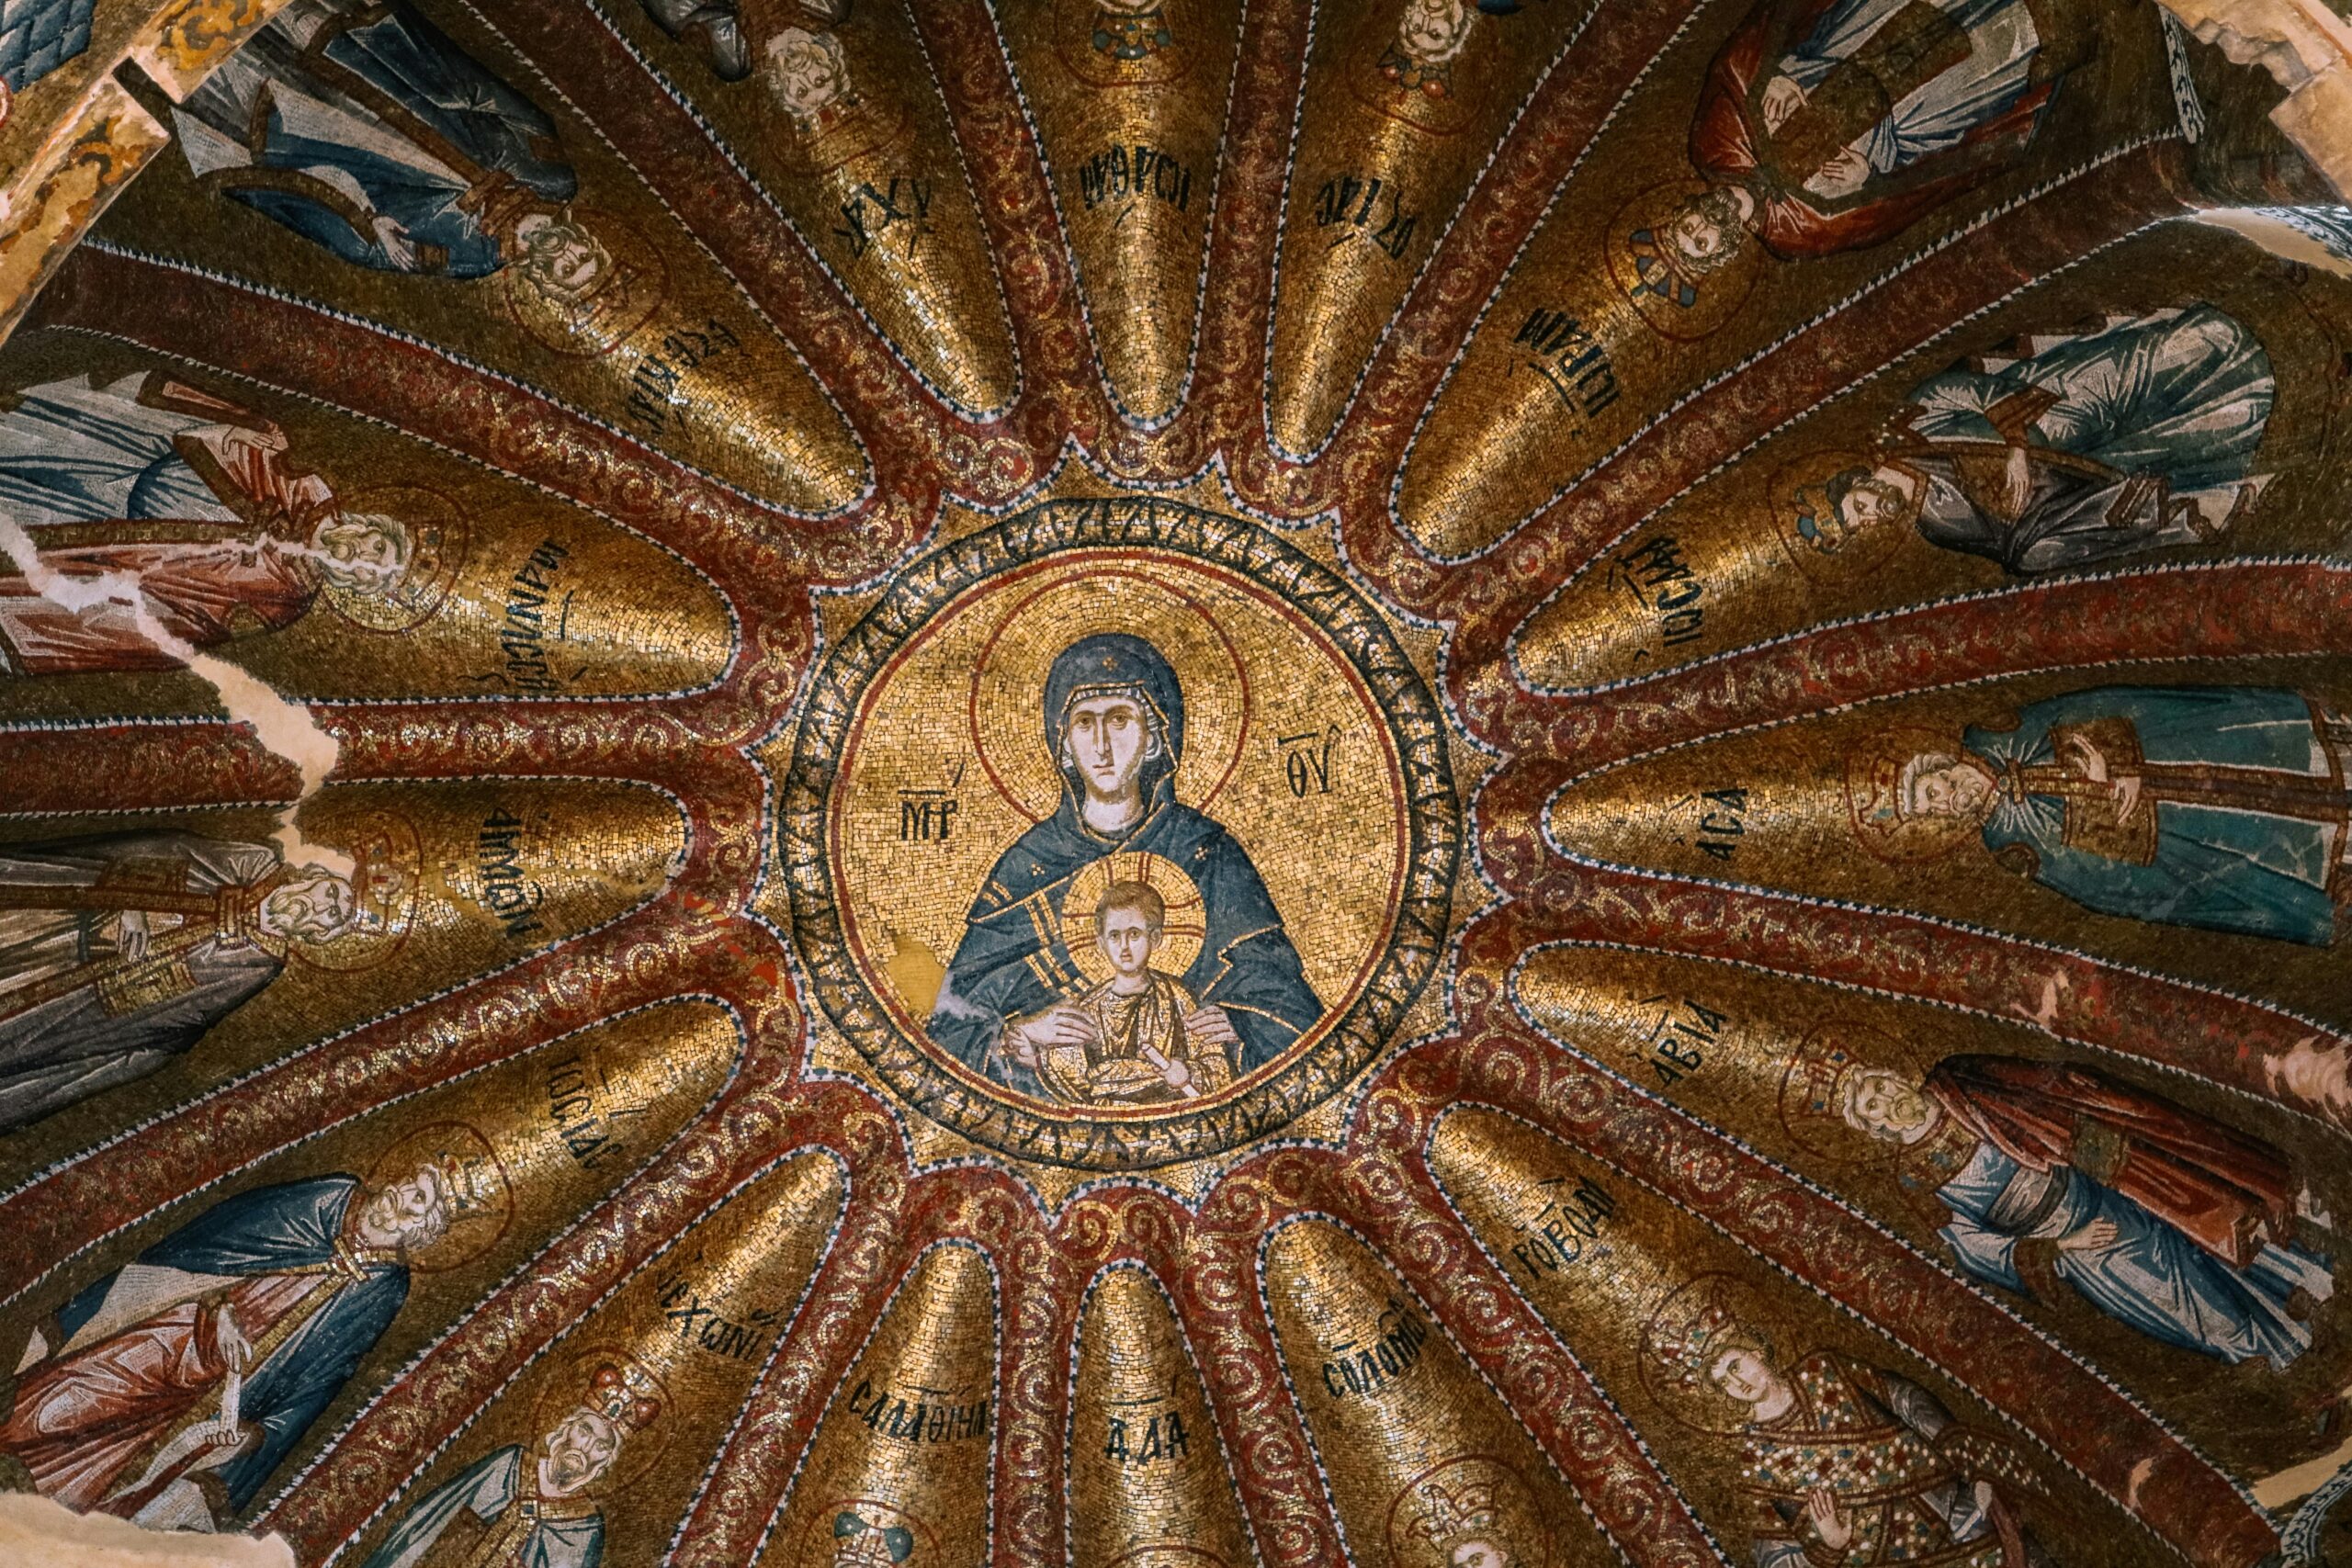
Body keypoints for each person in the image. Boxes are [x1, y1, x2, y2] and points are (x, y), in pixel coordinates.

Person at [928, 633, 1324, 1099]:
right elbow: (947, 1025)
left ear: (1154, 738)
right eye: (1083, 724)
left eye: (1119, 721)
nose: (1101, 746)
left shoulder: (1207, 852)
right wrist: (1021, 1034)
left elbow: (1290, 1011)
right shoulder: (1027, 864)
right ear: (1063, 745)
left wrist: (1240, 1024)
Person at [0, 1158, 479, 1529]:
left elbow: (324, 1376)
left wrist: (260, 1431)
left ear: (423, 1229)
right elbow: (218, 1242)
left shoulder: (382, 1288)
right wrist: (221, 1309)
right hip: (177, 1330)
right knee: (66, 1404)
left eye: (417, 1199)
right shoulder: (326, 1201)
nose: (399, 1193)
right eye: (408, 1182)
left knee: (129, 1464)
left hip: (222, 1392)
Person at [1840, 1056, 2330, 1367]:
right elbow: (1969, 1245)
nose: (1886, 1102)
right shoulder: (1915, 1180)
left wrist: (2099, 1150)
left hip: (2104, 1186)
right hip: (2077, 1248)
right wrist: (2055, 1248)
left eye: (1880, 1087)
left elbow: (2050, 1095)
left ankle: (2302, 1296)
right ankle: (2272, 1355)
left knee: (2205, 1236)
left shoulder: (1962, 1083)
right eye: (1872, 1108)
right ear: (1873, 1129)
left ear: (1895, 1074)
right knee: (2184, 1306)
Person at [171, 0, 611, 316]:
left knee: (242, 72)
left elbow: (382, 254)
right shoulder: (553, 180)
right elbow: (506, 104)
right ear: (582, 237)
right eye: (579, 252)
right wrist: (441, 81)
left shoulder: (474, 255)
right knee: (297, 21)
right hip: (392, 76)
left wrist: (371, 223)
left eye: (564, 269)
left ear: (543, 277)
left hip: (347, 139)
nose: (562, 253)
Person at [0, 373, 412, 675]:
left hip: (101, 540)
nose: (364, 558)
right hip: (122, 456)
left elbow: (200, 619)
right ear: (364, 525)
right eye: (377, 547)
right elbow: (241, 442)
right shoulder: (304, 485)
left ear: (352, 584)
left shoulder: (290, 597)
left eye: (367, 573)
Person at [1804, 309, 2275, 573]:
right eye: (1862, 525)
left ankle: (2224, 347)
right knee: (2173, 442)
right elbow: (2003, 541)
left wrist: (2016, 450)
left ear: (1859, 481)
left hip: (2059, 405)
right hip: (2074, 479)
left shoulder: (1910, 425)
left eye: (1858, 506)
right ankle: (2211, 489)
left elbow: (1973, 390)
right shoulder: (1933, 524)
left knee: (2162, 362)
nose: (1870, 515)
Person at [1883, 684, 2351, 944]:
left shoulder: (1994, 736)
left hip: (2159, 750)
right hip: (2165, 834)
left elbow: (2075, 707)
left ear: (1941, 766)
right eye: (1934, 811)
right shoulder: (2006, 840)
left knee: (2248, 753)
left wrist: (2116, 762)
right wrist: (2115, 821)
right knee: (2244, 839)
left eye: (1934, 790)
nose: (1947, 801)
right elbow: (2082, 876)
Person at [0, 829, 360, 1132]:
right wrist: (134, 903)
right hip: (87, 909)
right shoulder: (258, 863)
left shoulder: (263, 964)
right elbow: (172, 851)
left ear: (319, 935)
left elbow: (190, 1011)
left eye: (333, 915)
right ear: (312, 877)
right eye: (329, 892)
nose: (320, 906)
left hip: (93, 995)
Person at [1658, 1291, 2047, 1567]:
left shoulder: (1825, 1370)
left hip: (1954, 1511)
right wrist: (1831, 1543)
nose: (1737, 1382)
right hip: (1888, 1557)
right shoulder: (1755, 1456)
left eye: (1735, 1364)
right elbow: (1774, 1548)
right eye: (1724, 1381)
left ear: (1756, 1350)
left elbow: (1903, 1399)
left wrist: (1959, 1454)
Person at [1679, 0, 2092, 261]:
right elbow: (1883, 215)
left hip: (1850, 46)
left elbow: (1733, 68)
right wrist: (1868, 178)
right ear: (1723, 252)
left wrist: (1775, 77)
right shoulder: (1793, 233)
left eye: (1688, 227)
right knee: (1986, 51)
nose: (1704, 227)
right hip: (1907, 115)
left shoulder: (1713, 145)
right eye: (1702, 243)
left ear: (1685, 211)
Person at [356, 1363, 658, 1568]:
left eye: (601, 1445)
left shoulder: (585, 1527)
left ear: (605, 1460)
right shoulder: (509, 1466)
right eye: (585, 1430)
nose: (585, 1447)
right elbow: (430, 1519)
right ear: (568, 1427)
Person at [1035, 881, 1235, 1106]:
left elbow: (1218, 1067)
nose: (1124, 948)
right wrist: (1151, 1075)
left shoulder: (1178, 998)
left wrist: (1187, 1071)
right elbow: (1072, 1077)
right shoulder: (1088, 1007)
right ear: (1101, 943)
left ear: (1155, 938)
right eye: (1114, 936)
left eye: (1134, 934)